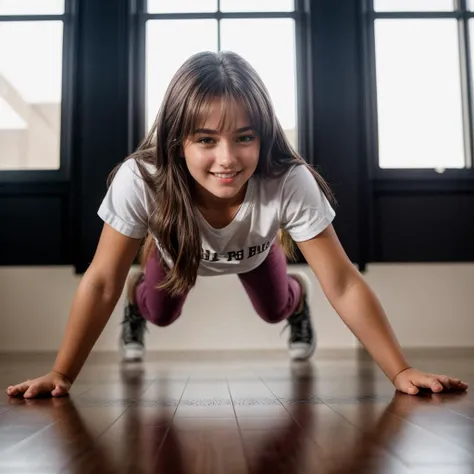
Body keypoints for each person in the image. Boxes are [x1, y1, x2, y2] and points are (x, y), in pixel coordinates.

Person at [6, 51, 468, 399]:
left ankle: (295, 296)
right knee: (160, 313)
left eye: (244, 138)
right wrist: (62, 374)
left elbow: (344, 283)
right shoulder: (142, 178)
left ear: (263, 136)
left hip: (256, 252)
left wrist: (400, 371)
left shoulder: (288, 179)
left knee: (274, 309)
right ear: (176, 139)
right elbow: (104, 279)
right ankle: (139, 299)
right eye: (206, 140)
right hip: (175, 255)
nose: (227, 159)